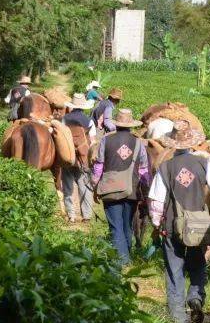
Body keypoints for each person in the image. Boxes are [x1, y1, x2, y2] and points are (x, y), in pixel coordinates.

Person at [148, 123, 210, 323]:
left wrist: (155, 223)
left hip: (172, 225)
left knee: (174, 269)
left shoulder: (165, 167)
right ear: (191, 143)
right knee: (198, 264)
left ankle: (178, 317)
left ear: (173, 144)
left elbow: (157, 201)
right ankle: (196, 296)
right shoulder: (203, 164)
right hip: (199, 225)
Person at [92, 108, 149, 263]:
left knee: (115, 225)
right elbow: (144, 169)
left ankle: (122, 259)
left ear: (116, 124)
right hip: (132, 189)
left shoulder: (106, 140)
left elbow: (99, 165)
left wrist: (95, 185)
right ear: (130, 125)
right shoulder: (138, 142)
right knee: (127, 225)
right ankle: (127, 256)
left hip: (110, 188)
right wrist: (145, 190)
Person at [61, 93, 96, 223]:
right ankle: (86, 215)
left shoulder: (64, 119)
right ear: (83, 106)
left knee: (68, 186)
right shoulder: (89, 121)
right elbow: (92, 142)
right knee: (85, 186)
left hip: (68, 157)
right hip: (83, 158)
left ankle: (71, 215)